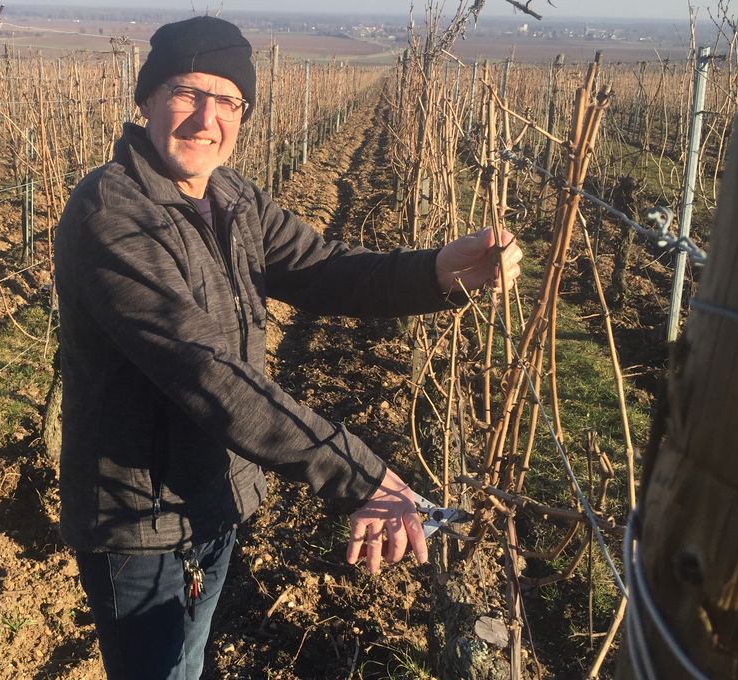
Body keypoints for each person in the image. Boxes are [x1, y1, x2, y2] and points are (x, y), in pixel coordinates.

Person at [52, 15, 522, 680]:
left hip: (212, 494)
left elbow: (325, 268)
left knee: (189, 654)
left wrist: (436, 272)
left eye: (227, 102)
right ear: (147, 100)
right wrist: (358, 475)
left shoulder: (231, 195)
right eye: (186, 93)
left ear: (243, 114)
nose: (204, 119)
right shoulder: (111, 213)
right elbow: (207, 372)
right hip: (142, 522)